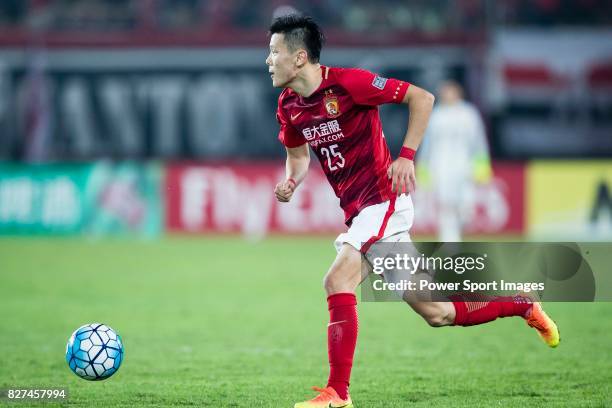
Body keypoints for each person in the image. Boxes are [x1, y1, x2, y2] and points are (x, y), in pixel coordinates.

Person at [267, 15, 559, 408]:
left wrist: (406, 157)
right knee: (438, 313)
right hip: (359, 212)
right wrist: (292, 180)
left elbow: (422, 98)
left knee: (337, 281)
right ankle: (522, 303)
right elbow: (298, 156)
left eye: (274, 52)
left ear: (299, 57)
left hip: (383, 202)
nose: (268, 60)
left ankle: (338, 393)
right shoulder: (289, 105)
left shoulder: (349, 83)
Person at [418, 80, 492, 241]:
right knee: (446, 205)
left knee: (466, 207)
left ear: (458, 93)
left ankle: (460, 228)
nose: (446, 95)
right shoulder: (436, 114)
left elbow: (478, 141)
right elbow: (427, 143)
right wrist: (423, 167)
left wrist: (482, 165)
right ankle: (450, 243)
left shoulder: (469, 114)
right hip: (440, 165)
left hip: (464, 164)